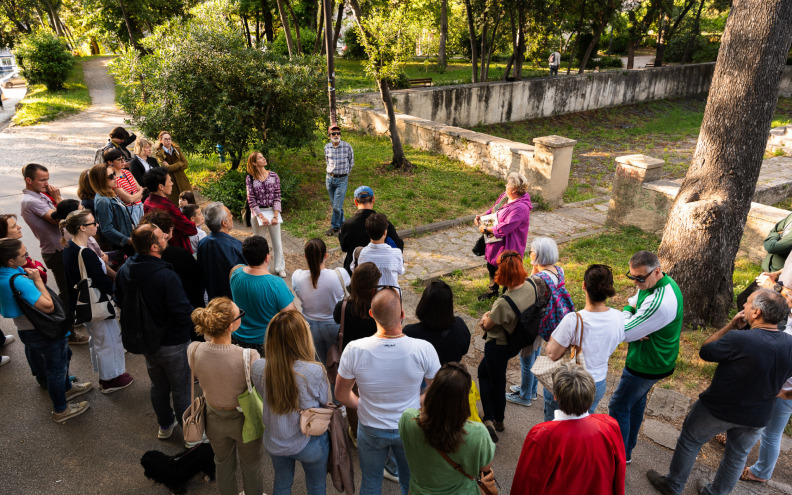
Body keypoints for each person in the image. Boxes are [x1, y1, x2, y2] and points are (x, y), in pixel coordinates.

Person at [646, 289, 792, 495]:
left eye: (747, 304)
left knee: (690, 441)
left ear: (757, 312)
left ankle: (673, 484)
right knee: (737, 457)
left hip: (716, 409)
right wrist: (785, 394)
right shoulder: (790, 344)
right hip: (757, 416)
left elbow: (706, 351)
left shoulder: (739, 339)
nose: (743, 307)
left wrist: (732, 325)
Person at [335, 288, 441, 495]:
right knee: (410, 481)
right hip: (410, 427)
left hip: (370, 427)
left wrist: (360, 404)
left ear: (371, 314)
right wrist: (417, 401)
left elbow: (340, 394)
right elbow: (438, 390)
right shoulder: (423, 349)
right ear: (402, 314)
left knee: (371, 482)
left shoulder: (354, 350)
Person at [114, 224, 194, 442]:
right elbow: (182, 312)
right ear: (154, 247)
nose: (167, 236)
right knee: (181, 388)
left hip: (146, 342)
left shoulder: (125, 270)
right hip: (173, 343)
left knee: (158, 385)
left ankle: (165, 425)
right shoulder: (166, 276)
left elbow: (119, 299)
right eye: (161, 236)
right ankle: (191, 434)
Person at [0, 238, 93, 422]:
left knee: (62, 358)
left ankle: (67, 388)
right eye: (24, 254)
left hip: (27, 329)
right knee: (56, 369)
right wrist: (37, 280)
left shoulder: (4, 273)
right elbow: (48, 306)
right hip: (41, 329)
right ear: (10, 261)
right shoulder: (18, 281)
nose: (27, 257)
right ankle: (61, 410)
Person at [609, 250, 683, 463]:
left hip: (646, 363)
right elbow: (633, 302)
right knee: (635, 403)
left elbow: (625, 332)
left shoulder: (659, 302)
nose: (636, 283)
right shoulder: (657, 283)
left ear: (657, 271)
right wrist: (631, 312)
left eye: (640, 278)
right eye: (631, 277)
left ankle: (618, 457)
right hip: (655, 359)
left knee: (618, 406)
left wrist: (627, 313)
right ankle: (628, 451)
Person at [512, 364, 626, 495]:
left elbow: (525, 484)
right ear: (591, 396)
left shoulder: (542, 435)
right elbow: (619, 472)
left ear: (555, 396)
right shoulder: (609, 426)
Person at [189, 298, 264, 495]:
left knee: (222, 464)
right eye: (239, 312)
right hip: (244, 419)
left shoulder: (193, 349)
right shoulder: (249, 356)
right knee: (251, 466)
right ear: (232, 325)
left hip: (212, 418)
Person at [252, 310, 331, 495]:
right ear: (303, 338)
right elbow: (326, 401)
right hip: (309, 440)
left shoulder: (257, 368)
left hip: (275, 439)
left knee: (281, 483)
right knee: (317, 486)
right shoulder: (314, 370)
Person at [61, 210, 133, 393]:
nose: (97, 225)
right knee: (108, 340)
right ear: (82, 228)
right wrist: (117, 296)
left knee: (99, 340)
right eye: (93, 223)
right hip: (97, 303)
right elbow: (101, 281)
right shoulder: (85, 253)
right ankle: (110, 379)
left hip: (85, 304)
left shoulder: (69, 248)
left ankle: (107, 375)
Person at [477, 250, 545, 442]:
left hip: (498, 346)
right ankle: (492, 417)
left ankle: (495, 419)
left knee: (496, 381)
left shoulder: (503, 303)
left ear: (503, 274)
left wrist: (485, 316)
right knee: (484, 371)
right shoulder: (532, 285)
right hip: (516, 342)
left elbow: (486, 324)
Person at [398, 362, 495, 495]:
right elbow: (485, 467)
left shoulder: (408, 418)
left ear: (432, 390)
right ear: (464, 399)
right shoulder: (478, 433)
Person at [542, 264, 624, 419]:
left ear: (584, 286)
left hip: (568, 383)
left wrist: (552, 338)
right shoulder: (619, 317)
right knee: (583, 422)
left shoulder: (573, 320)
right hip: (596, 383)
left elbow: (552, 353)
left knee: (555, 423)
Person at [507, 237, 574, 411]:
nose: (529, 253)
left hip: (535, 324)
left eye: (531, 251)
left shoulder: (537, 280)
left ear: (537, 254)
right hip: (549, 322)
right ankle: (531, 389)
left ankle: (525, 395)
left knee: (527, 357)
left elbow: (525, 297)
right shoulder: (559, 271)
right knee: (535, 354)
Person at [332, 261, 381, 446]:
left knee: (351, 399)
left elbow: (337, 320)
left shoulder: (343, 306)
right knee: (371, 396)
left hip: (349, 359)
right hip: (373, 360)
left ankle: (356, 432)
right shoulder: (377, 308)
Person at [19, 164, 75, 324]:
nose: (47, 183)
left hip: (62, 247)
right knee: (67, 291)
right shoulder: (31, 201)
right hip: (57, 251)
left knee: (71, 288)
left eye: (47, 179)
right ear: (29, 180)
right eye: (42, 180)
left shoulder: (41, 195)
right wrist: (58, 199)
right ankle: (67, 329)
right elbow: (59, 218)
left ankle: (71, 320)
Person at [229, 235, 295, 355]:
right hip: (266, 342)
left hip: (239, 337)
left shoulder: (235, 273)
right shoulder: (276, 283)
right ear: (267, 257)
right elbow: (291, 314)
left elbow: (239, 268)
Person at [474, 172, 533, 300]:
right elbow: (494, 209)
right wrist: (482, 216)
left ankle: (507, 297)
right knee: (492, 265)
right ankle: (493, 291)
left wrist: (485, 229)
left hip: (509, 244)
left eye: (508, 184)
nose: (506, 185)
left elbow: (506, 227)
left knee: (508, 270)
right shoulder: (505, 197)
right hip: (495, 241)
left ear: (515, 189)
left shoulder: (521, 207)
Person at [292, 238, 350, 364]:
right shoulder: (340, 274)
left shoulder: (297, 277)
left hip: (310, 326)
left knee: (318, 363)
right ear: (326, 255)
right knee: (336, 361)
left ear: (305, 257)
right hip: (335, 325)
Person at [140, 209, 205, 312]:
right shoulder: (180, 255)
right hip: (187, 308)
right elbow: (198, 278)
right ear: (168, 231)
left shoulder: (139, 258)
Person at [403, 281, 470, 364]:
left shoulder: (410, 333)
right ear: (449, 304)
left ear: (423, 304)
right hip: (447, 375)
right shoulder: (460, 326)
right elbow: (464, 350)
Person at [339, 185, 403, 273]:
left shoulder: (347, 224)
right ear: (373, 200)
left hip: (354, 272)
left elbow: (344, 248)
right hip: (377, 270)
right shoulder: (382, 222)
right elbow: (398, 244)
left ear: (355, 202)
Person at [245, 151, 285, 277]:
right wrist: (260, 216)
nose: (264, 159)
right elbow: (251, 199)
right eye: (260, 158)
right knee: (260, 243)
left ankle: (280, 267)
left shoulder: (274, 176)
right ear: (254, 163)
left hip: (272, 210)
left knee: (277, 242)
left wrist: (275, 215)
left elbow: (277, 196)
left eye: (263, 156)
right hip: (258, 213)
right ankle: (263, 268)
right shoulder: (250, 178)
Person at [197, 202, 245, 300]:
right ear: (224, 223)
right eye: (230, 214)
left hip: (213, 300)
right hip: (233, 302)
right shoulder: (236, 246)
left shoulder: (202, 243)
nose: (232, 216)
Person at [142, 168, 198, 253]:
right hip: (174, 249)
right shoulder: (166, 206)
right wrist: (195, 223)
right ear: (161, 186)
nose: (172, 184)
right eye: (169, 181)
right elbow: (191, 229)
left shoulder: (147, 201)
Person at [89, 163, 135, 256]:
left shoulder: (109, 193)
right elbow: (107, 229)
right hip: (122, 245)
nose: (115, 177)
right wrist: (127, 240)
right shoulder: (103, 200)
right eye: (110, 176)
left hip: (127, 238)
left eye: (113, 173)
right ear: (101, 180)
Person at [358, 212, 404, 287]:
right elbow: (400, 271)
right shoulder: (396, 252)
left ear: (367, 233)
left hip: (371, 295)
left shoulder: (363, 253)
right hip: (392, 294)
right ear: (385, 232)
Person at [324, 124, 354, 237]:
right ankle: (343, 225)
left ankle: (334, 226)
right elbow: (327, 161)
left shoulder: (347, 146)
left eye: (338, 133)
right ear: (329, 136)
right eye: (333, 133)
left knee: (337, 206)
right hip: (329, 179)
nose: (336, 135)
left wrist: (345, 174)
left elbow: (352, 162)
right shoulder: (327, 147)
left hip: (342, 179)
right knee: (336, 205)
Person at [105, 148, 144, 225]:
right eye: (119, 160)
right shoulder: (112, 178)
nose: (123, 162)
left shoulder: (127, 172)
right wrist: (139, 193)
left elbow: (140, 191)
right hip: (127, 210)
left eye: (123, 159)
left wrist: (137, 195)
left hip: (139, 207)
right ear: (110, 162)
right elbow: (128, 199)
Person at [153, 131, 192, 205]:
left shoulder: (176, 149)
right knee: (175, 204)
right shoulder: (159, 154)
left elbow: (186, 164)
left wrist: (171, 166)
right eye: (165, 139)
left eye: (169, 139)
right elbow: (166, 169)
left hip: (182, 179)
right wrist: (179, 164)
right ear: (161, 140)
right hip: (170, 182)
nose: (168, 141)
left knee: (189, 202)